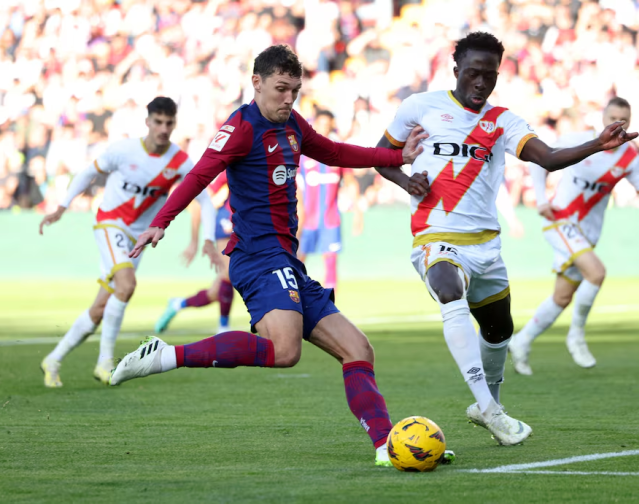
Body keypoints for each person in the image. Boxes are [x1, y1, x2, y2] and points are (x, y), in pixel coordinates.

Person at [108, 45, 443, 467]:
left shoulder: (292, 125)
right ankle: (165, 355)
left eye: (295, 90)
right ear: (257, 83)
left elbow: (336, 153)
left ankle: (386, 448)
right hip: (257, 256)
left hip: (287, 261)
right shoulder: (241, 128)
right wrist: (163, 220)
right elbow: (199, 174)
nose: (289, 98)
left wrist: (399, 157)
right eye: (281, 89)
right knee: (285, 352)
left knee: (358, 349)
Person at [374, 32, 638, 446]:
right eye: (474, 74)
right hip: (435, 234)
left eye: (490, 76)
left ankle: (490, 404)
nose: (481, 83)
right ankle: (491, 409)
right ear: (456, 70)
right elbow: (382, 156)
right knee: (447, 287)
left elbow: (547, 158)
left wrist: (596, 144)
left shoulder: (502, 121)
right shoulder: (419, 107)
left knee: (498, 331)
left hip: (485, 245)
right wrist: (408, 181)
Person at [39, 97, 219, 387]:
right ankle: (105, 363)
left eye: (169, 123)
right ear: (147, 121)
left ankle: (54, 359)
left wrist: (208, 240)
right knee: (127, 285)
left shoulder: (180, 161)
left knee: (100, 307)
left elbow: (206, 202)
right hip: (110, 225)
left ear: (174, 124)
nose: (163, 128)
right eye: (158, 122)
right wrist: (62, 205)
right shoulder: (124, 150)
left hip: (138, 238)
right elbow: (88, 173)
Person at [508, 97, 639, 374]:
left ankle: (521, 341)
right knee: (597, 273)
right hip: (560, 220)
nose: (618, 124)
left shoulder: (629, 155)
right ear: (603, 117)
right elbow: (539, 161)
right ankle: (576, 336)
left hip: (588, 232)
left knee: (562, 297)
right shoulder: (579, 140)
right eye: (614, 117)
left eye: (624, 119)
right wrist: (541, 199)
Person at [154, 171, 236, 334]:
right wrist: (194, 240)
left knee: (217, 290)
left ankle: (178, 304)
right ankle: (223, 327)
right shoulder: (229, 167)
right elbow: (201, 201)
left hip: (252, 224)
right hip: (227, 223)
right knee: (228, 274)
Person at [296, 110, 357, 289]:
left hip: (330, 219)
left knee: (330, 265)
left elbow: (351, 182)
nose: (323, 128)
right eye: (320, 124)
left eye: (327, 124)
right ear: (314, 125)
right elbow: (291, 184)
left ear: (332, 125)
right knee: (297, 261)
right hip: (305, 221)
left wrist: (358, 212)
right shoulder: (301, 154)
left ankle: (330, 311)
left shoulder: (338, 153)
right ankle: (294, 305)